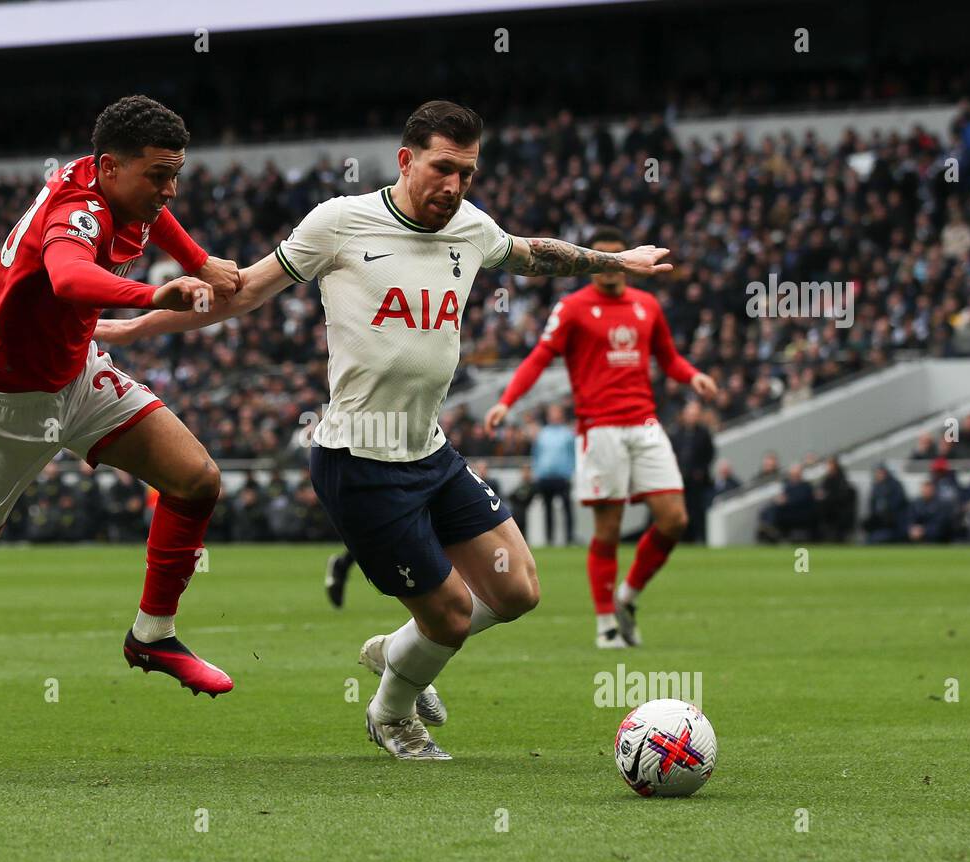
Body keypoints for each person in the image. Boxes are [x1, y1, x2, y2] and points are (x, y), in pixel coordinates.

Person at [96, 100, 674, 758]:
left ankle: (398, 648)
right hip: (360, 465)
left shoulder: (471, 228)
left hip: (430, 452)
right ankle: (392, 712)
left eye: (467, 173)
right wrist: (133, 324)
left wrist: (613, 261)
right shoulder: (340, 224)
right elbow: (242, 292)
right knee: (452, 616)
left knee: (517, 591)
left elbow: (531, 254)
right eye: (442, 168)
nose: (454, 186)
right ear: (406, 161)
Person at [0, 95, 243, 699]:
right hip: (1, 404)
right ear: (110, 168)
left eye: (176, 173)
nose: (170, 189)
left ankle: (153, 633)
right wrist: (156, 296)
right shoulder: (79, 212)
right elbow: (68, 277)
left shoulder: (118, 180)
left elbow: (153, 219)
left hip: (77, 378)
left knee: (196, 479)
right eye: (159, 175)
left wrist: (199, 261)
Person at [482, 226, 718, 649]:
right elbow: (539, 357)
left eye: (616, 255)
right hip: (600, 429)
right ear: (592, 262)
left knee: (675, 519)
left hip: (644, 425)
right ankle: (606, 622)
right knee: (608, 530)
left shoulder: (646, 305)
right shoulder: (572, 308)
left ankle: (628, 596)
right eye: (602, 256)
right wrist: (507, 401)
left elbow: (668, 357)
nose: (609, 265)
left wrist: (693, 375)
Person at [669, 400, 715, 542]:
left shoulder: (704, 434)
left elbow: (710, 454)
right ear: (684, 415)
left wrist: (701, 470)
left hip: (697, 482)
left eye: (695, 414)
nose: (692, 417)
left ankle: (700, 538)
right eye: (689, 414)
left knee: (697, 511)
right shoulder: (676, 433)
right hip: (680, 481)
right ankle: (682, 538)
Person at [530, 405, 575, 544]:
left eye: (557, 413)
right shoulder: (542, 434)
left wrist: (570, 472)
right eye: (552, 413)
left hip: (562, 476)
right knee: (548, 509)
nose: (554, 416)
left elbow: (573, 454)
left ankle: (569, 537)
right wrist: (537, 471)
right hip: (545, 477)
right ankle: (549, 538)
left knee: (567, 508)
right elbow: (536, 454)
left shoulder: (568, 434)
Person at [862, 464, 909, 543]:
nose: (878, 475)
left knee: (881, 537)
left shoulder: (895, 485)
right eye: (877, 473)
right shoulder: (876, 486)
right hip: (880, 520)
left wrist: (887, 512)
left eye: (880, 473)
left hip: (893, 521)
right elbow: (872, 504)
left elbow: (898, 504)